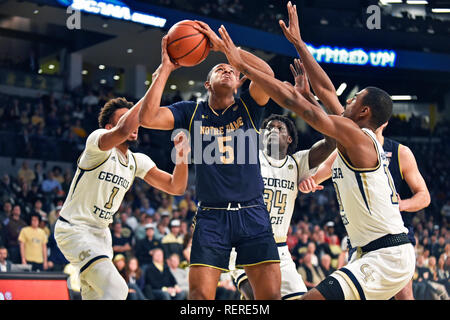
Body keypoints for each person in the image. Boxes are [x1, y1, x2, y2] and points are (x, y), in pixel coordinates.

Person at [217, 3, 415, 299]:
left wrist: (242, 64)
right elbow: (325, 91)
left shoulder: (357, 137)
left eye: (353, 100)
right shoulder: (357, 132)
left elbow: (299, 105)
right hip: (370, 252)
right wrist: (298, 43)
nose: (345, 102)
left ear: (363, 111)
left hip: (384, 253)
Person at [139, 24, 282, 300]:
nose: (227, 70)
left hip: (252, 211)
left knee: (269, 298)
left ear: (239, 82)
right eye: (220, 69)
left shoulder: (249, 106)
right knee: (199, 299)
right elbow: (148, 118)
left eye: (232, 70)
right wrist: (166, 68)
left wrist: (226, 49)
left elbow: (268, 75)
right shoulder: (190, 112)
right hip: (211, 216)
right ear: (207, 84)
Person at [54, 91, 190, 300]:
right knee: (118, 289)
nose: (134, 124)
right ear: (109, 128)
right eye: (126, 119)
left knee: (98, 296)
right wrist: (161, 75)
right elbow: (125, 128)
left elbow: (176, 187)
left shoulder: (137, 161)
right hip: (74, 229)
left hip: (101, 235)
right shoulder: (97, 144)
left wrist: (181, 154)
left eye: (134, 120)